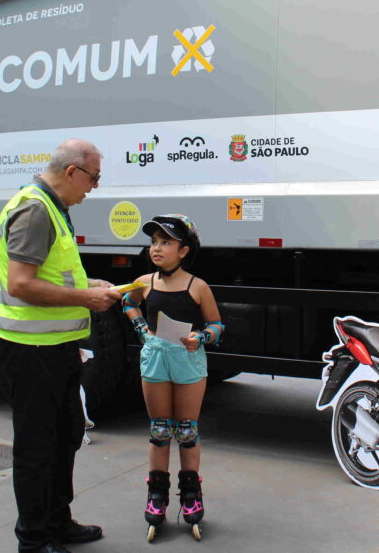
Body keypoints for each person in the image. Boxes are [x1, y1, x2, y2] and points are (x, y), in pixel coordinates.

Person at [0, 139, 122, 553]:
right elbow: (21, 284)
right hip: (30, 353)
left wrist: (90, 286)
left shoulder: (54, 207)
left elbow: (54, 276)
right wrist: (86, 299)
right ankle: (34, 540)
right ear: (71, 172)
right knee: (37, 449)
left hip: (58, 349)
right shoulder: (35, 209)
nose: (94, 187)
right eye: (94, 177)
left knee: (65, 437)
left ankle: (57, 522)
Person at [121, 214, 224, 541]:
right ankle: (157, 496)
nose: (157, 248)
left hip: (187, 360)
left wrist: (201, 338)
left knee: (187, 430)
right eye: (154, 241)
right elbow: (128, 302)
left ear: (184, 250)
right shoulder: (144, 282)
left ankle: (191, 495)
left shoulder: (198, 286)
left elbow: (217, 325)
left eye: (166, 242)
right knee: (159, 430)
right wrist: (140, 328)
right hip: (155, 358)